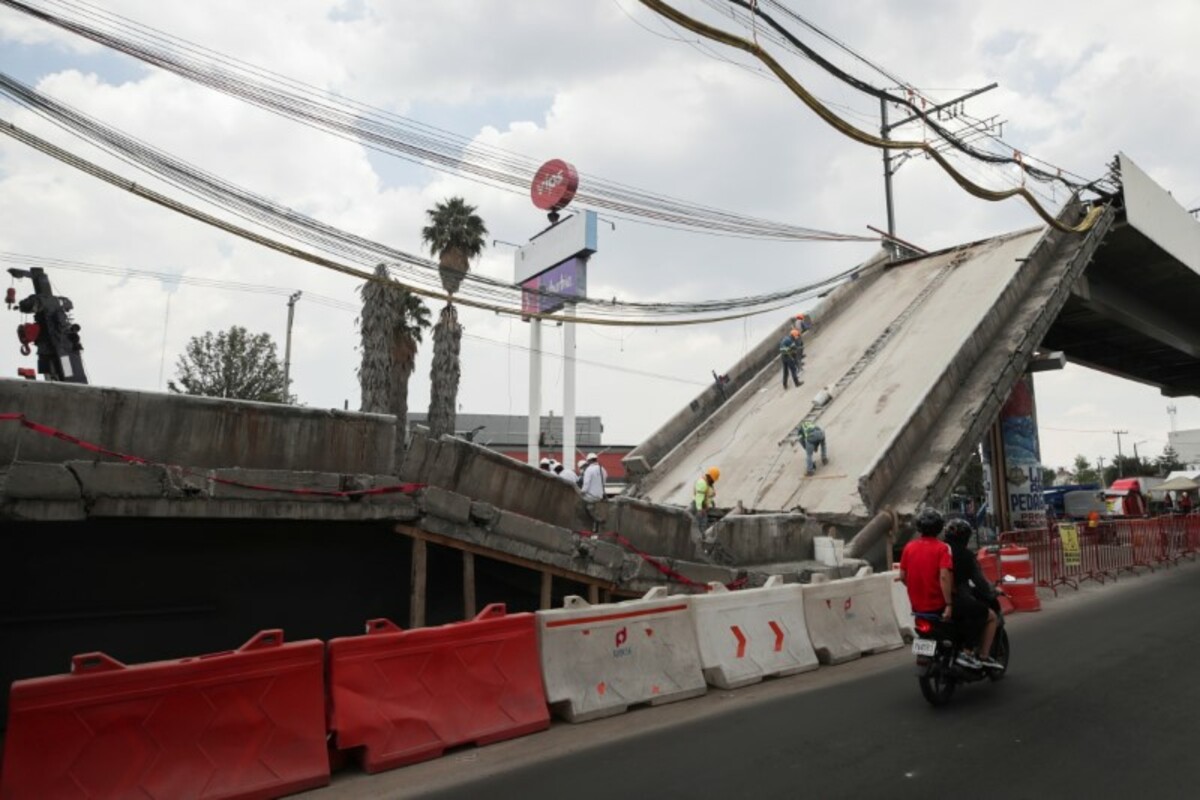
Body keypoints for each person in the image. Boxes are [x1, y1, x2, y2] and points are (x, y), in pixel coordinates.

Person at [898, 509, 978, 670]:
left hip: (917, 607)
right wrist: (948, 604)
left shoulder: (909, 547)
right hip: (938, 605)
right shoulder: (942, 548)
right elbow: (944, 577)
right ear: (939, 528)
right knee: (973, 614)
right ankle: (966, 653)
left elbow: (903, 576)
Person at [943, 518, 1002, 670]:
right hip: (955, 599)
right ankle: (975, 653)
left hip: (933, 600)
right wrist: (992, 591)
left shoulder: (937, 551)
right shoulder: (966, 555)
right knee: (988, 615)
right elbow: (980, 581)